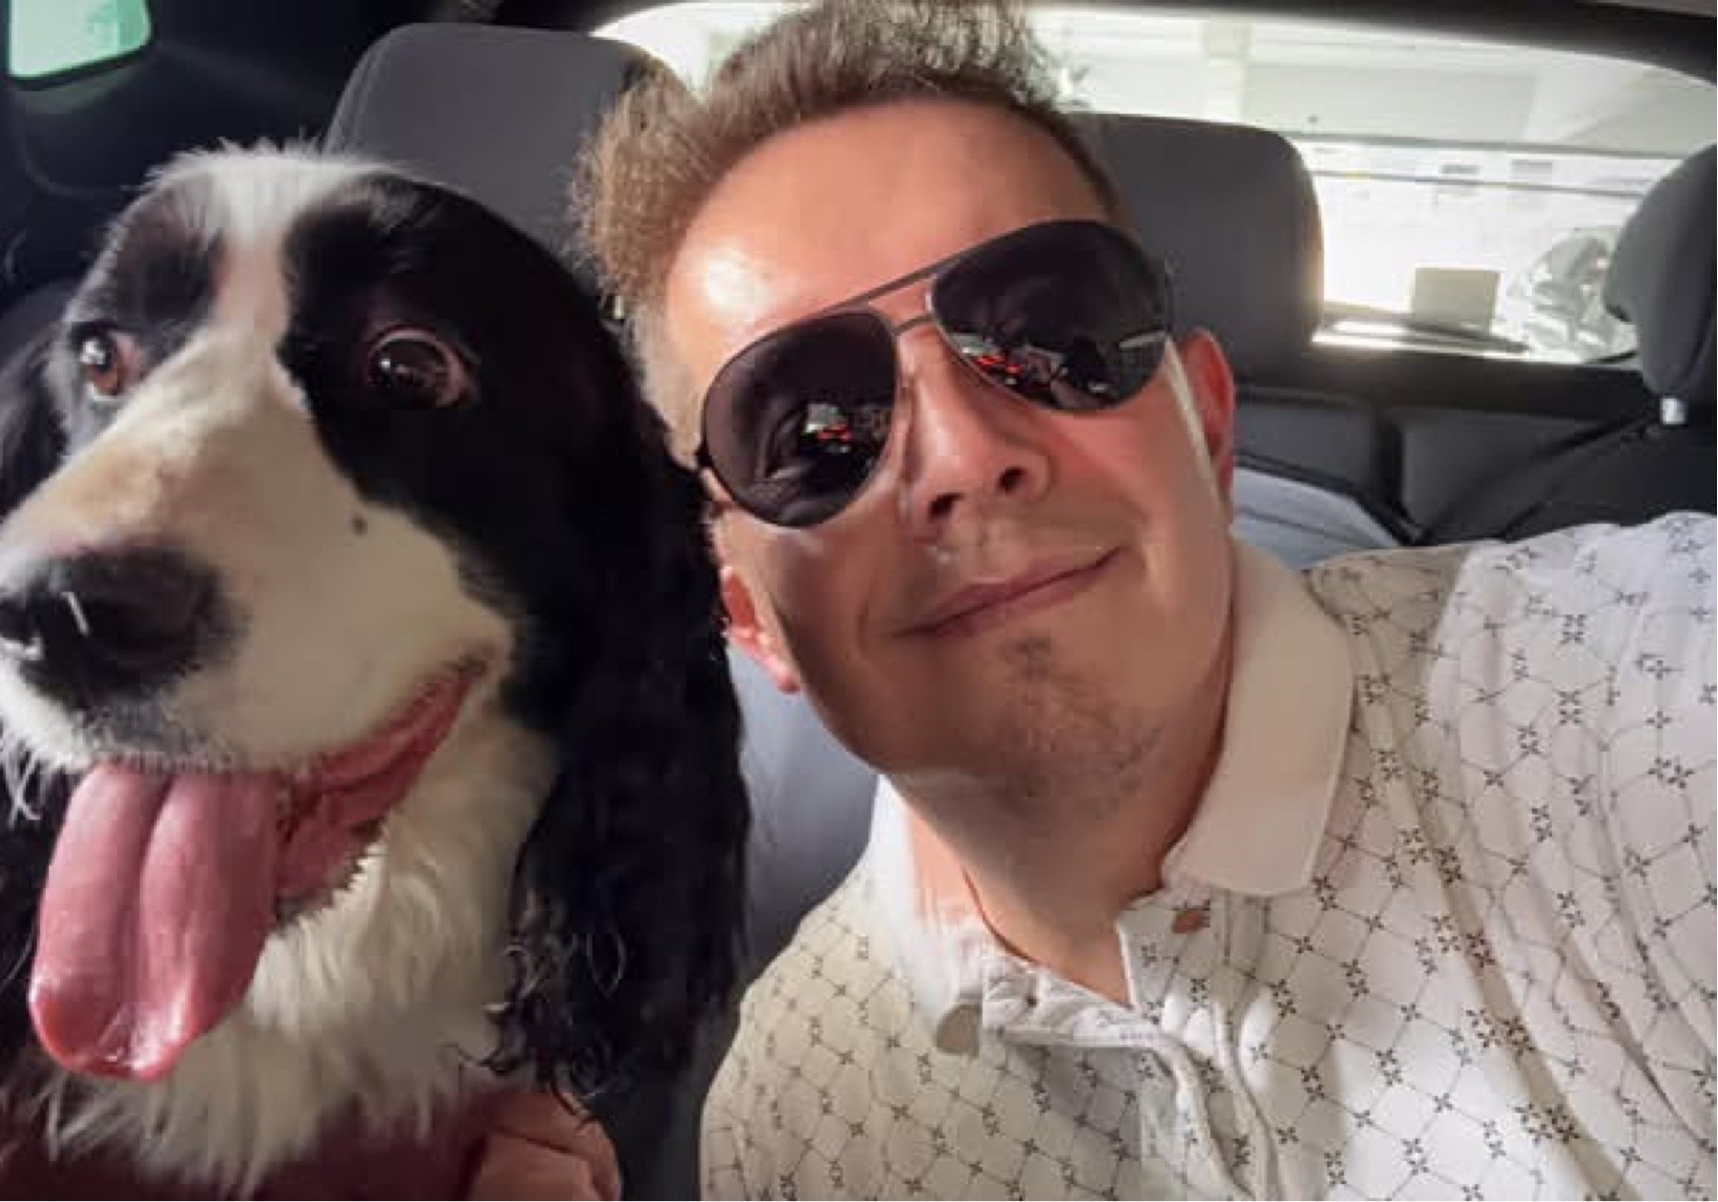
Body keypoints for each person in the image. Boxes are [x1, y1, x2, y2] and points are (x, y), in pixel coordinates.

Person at [576, 1, 1716, 1196]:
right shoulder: (790, 1113)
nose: (966, 453)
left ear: (1211, 427)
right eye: (814, 427)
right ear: (747, 614)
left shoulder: (1637, 704)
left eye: (1055, 332)